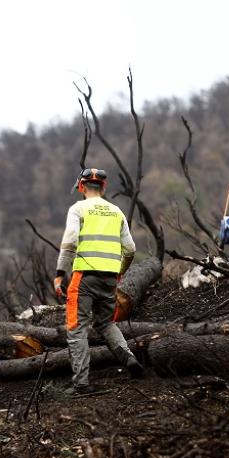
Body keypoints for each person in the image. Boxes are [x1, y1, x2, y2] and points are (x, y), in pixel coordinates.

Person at [54, 168, 144, 395]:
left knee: (77, 328)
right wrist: (119, 272)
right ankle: (130, 359)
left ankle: (81, 384)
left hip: (84, 277)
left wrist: (59, 273)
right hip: (109, 278)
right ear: (103, 188)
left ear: (82, 187)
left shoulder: (78, 209)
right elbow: (131, 249)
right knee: (105, 323)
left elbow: (70, 241)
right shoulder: (116, 212)